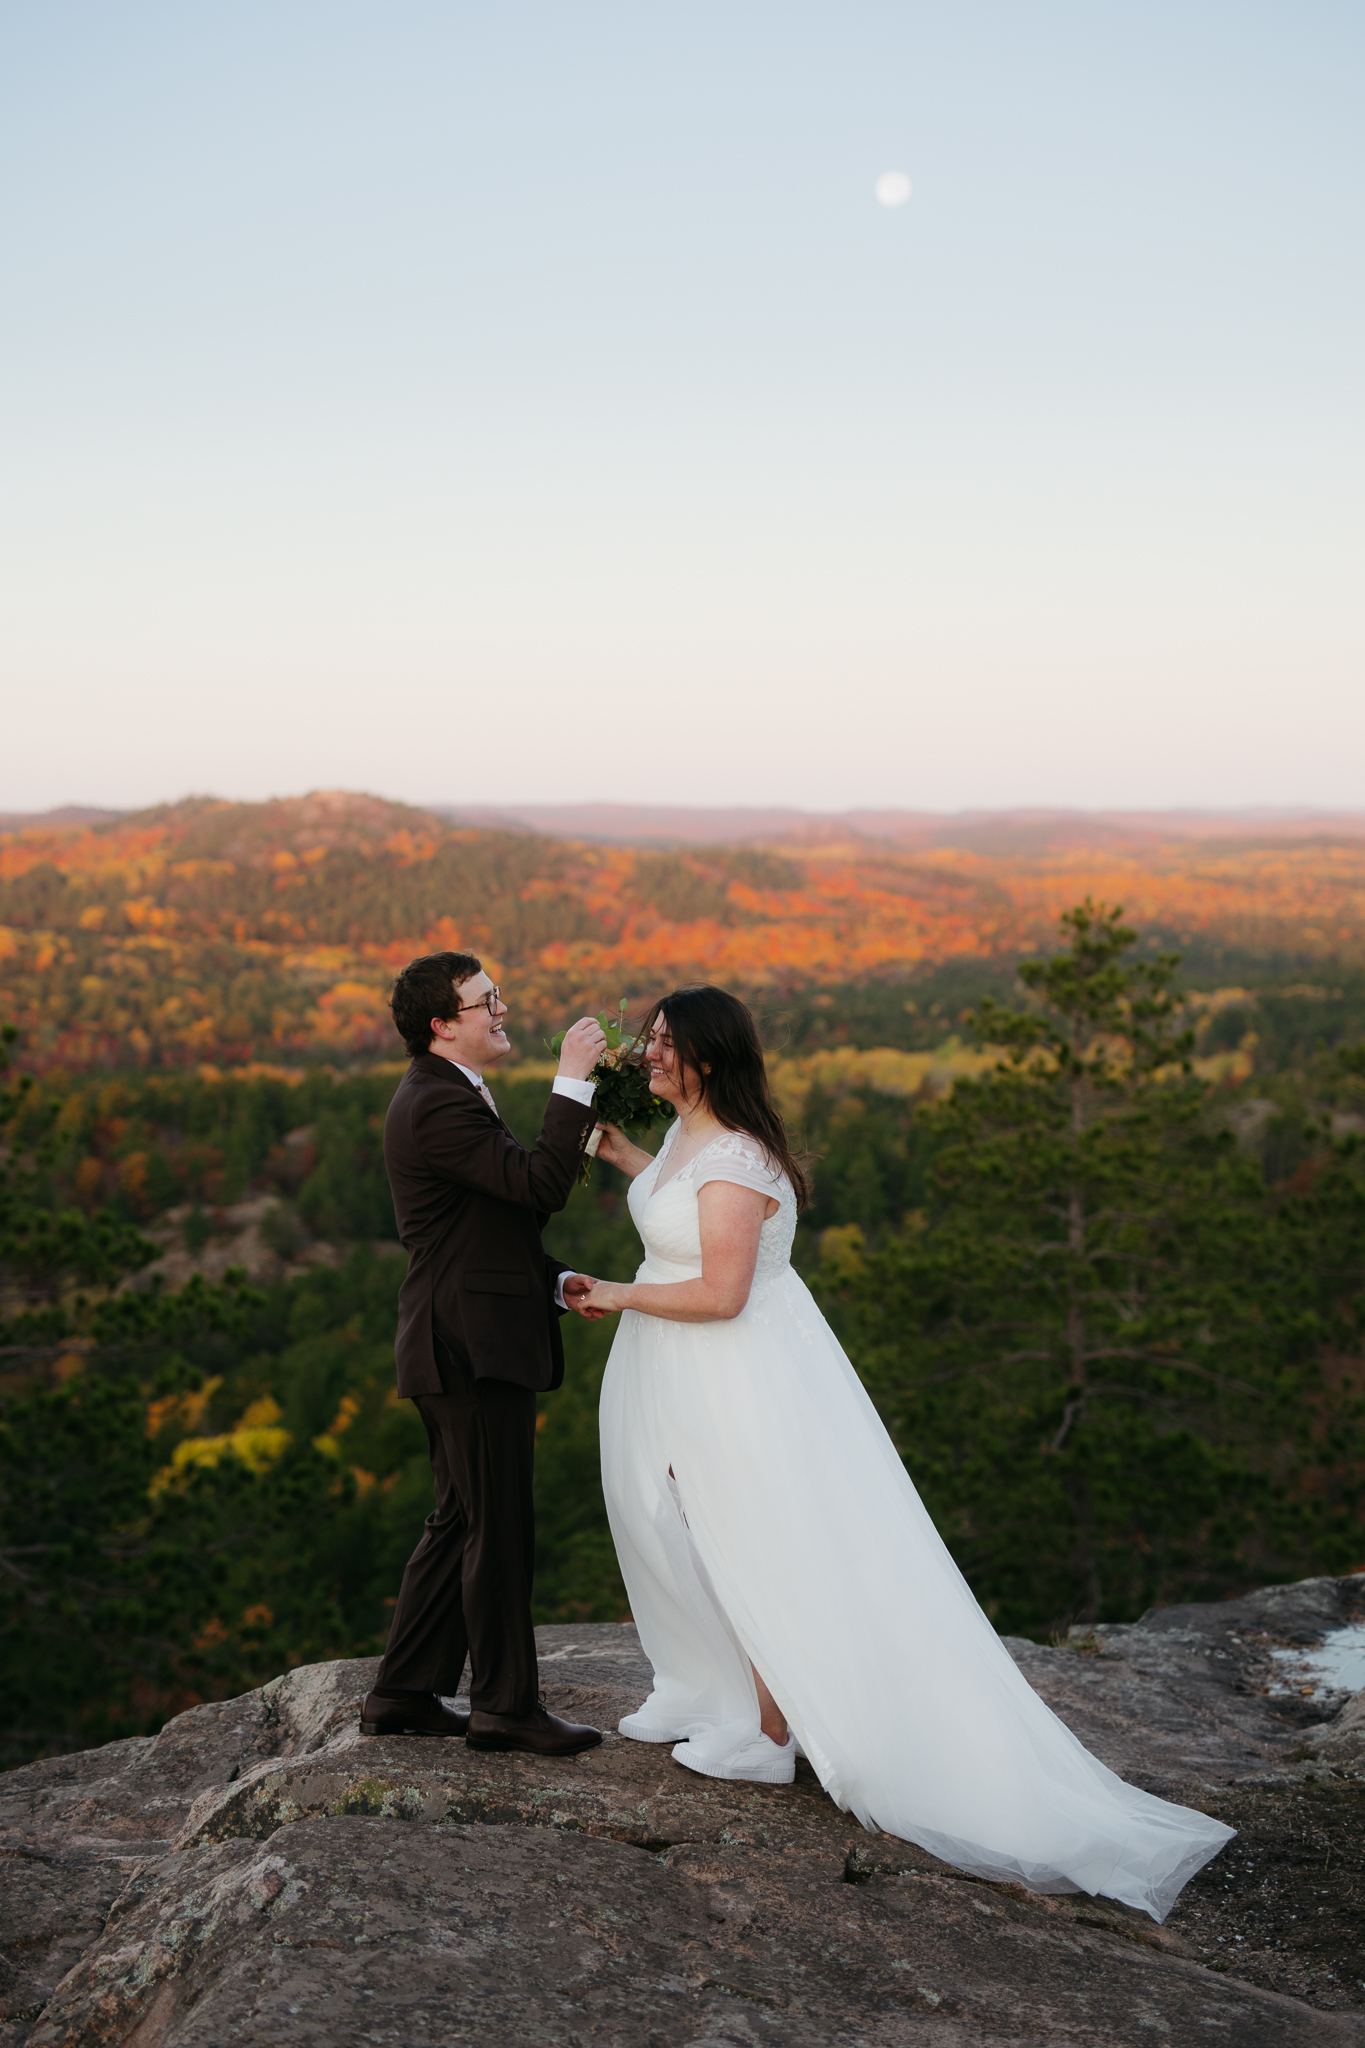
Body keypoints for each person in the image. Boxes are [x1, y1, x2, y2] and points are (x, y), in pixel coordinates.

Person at [578, 984, 1234, 1923]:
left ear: (709, 1058)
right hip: (679, 1369)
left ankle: (769, 1735)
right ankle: (714, 1691)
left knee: (745, 1535)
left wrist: (612, 1292)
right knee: (678, 1524)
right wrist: (623, 1156)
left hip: (730, 1370)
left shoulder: (736, 1157)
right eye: (646, 1040)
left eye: (664, 1043)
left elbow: (721, 1291)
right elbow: (679, 1201)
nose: (647, 1054)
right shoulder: (692, 1141)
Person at [360, 950, 605, 1756]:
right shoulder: (435, 1103)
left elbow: (480, 1231)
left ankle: (401, 1692)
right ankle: (504, 1706)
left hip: (459, 1333)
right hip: (465, 1346)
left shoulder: (449, 1093)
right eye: (485, 1001)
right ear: (442, 1025)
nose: (501, 1010)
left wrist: (553, 1280)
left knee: (461, 1517)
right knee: (496, 1523)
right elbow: (538, 1185)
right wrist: (573, 1081)